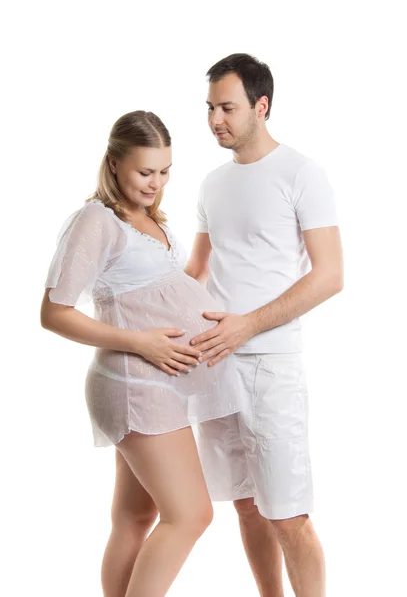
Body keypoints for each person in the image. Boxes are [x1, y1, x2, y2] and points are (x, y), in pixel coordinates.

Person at [40, 110, 241, 597]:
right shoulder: (96, 220)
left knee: (135, 516)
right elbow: (54, 312)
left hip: (158, 384)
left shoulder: (149, 218)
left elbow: (157, 293)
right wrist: (142, 342)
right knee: (190, 514)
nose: (156, 183)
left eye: (165, 171)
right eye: (144, 172)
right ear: (113, 165)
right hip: (135, 384)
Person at [185, 54, 344, 597]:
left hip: (271, 367)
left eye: (226, 108)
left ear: (261, 105)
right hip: (214, 365)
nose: (214, 120)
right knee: (246, 505)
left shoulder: (302, 173)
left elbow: (330, 276)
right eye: (209, 108)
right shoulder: (210, 184)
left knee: (288, 514)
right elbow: (197, 270)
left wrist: (247, 326)